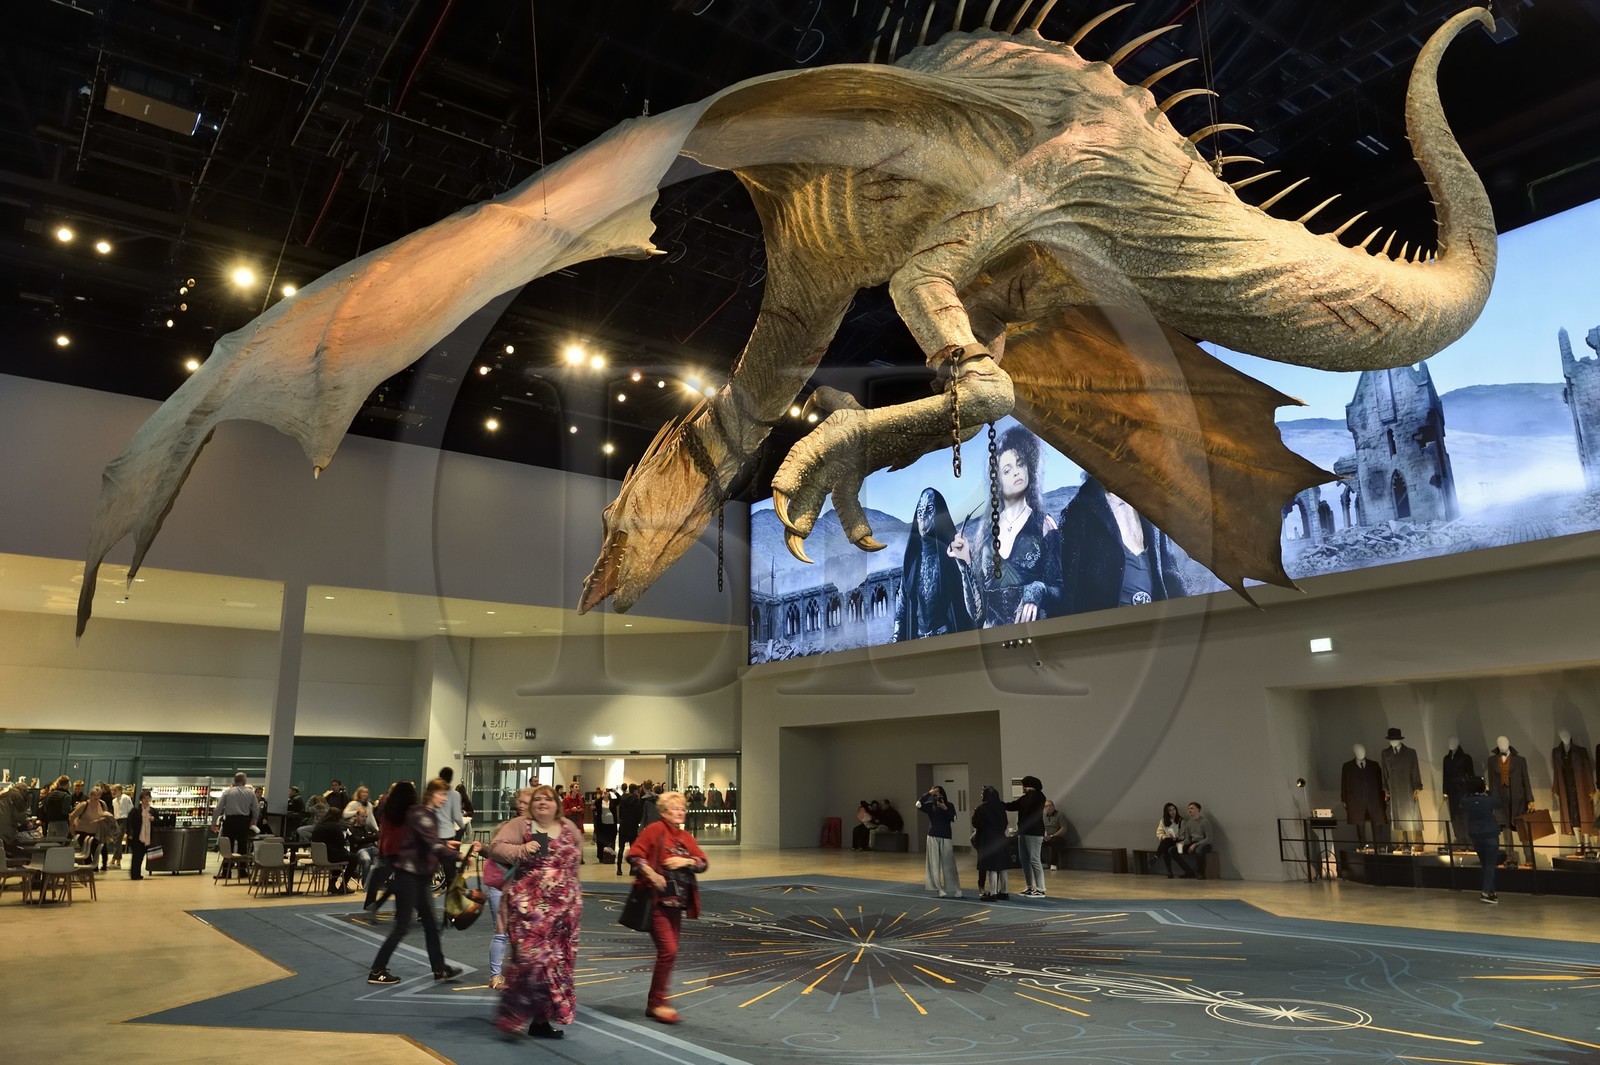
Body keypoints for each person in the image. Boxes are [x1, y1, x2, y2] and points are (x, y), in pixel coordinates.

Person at [490, 784, 584, 1039]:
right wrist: (520, 850)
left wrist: (572, 898)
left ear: (557, 804)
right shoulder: (523, 826)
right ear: (531, 805)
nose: (543, 802)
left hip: (563, 913)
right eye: (538, 798)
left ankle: (540, 1022)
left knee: (554, 966)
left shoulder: (568, 828)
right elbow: (496, 847)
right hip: (530, 910)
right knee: (532, 961)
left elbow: (574, 861)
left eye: (548, 798)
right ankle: (513, 1013)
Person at [366, 777, 477, 985]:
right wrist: (458, 855)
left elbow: (428, 842)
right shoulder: (421, 814)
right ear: (431, 794)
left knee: (430, 925)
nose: (445, 798)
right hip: (410, 876)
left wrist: (444, 843)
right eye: (441, 794)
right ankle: (377, 970)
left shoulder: (422, 813)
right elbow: (432, 845)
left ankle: (440, 968)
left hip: (418, 876)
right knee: (403, 926)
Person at [949, 425, 1062, 628]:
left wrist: (1037, 590)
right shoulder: (985, 535)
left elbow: (1060, 592)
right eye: (1007, 470)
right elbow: (977, 612)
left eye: (1021, 463)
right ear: (997, 480)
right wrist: (964, 562)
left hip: (1036, 638)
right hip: (994, 644)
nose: (1016, 472)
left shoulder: (1044, 525)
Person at [627, 790, 709, 1024]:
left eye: (682, 808)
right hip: (656, 902)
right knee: (669, 951)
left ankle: (657, 1001)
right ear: (663, 812)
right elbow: (635, 855)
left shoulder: (686, 836)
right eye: (675, 808)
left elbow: (702, 862)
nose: (680, 812)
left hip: (677, 904)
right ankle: (657, 1003)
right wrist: (651, 873)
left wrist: (686, 860)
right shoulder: (655, 830)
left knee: (669, 953)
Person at [1055, 474, 1187, 615]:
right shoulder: (1076, 513)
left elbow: (1170, 571)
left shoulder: (1150, 504)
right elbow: (1069, 587)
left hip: (1157, 624)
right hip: (1110, 629)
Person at [893, 487, 975, 641]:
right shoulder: (911, 562)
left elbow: (971, 606)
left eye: (929, 509)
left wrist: (963, 563)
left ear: (938, 514)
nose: (923, 516)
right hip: (919, 644)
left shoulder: (952, 556)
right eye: (920, 511)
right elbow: (902, 611)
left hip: (949, 642)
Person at [483, 787, 531, 991]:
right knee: (502, 931)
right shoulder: (509, 827)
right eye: (519, 802)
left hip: (522, 887)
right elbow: (497, 852)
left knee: (520, 933)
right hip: (501, 885)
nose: (519, 805)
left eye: (524, 802)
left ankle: (518, 973)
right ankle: (495, 976)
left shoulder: (537, 829)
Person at [364, 781, 410, 913]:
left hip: (390, 849)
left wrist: (382, 850)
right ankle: (399, 911)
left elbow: (384, 830)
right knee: (403, 882)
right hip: (401, 850)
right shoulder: (407, 810)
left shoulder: (388, 807)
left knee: (383, 879)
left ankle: (372, 905)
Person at [1005, 776, 1047, 897]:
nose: (1022, 788)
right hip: (1023, 832)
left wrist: (1030, 792)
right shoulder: (1024, 798)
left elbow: (1030, 804)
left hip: (1034, 832)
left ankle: (1040, 888)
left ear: (1029, 786)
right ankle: (1030, 886)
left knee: (1034, 859)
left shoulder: (1039, 796)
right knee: (1024, 859)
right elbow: (1013, 805)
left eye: (1023, 786)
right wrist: (999, 804)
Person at [916, 786, 961, 898]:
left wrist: (945, 808)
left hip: (946, 836)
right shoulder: (931, 805)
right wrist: (928, 793)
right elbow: (918, 804)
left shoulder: (949, 805)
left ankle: (955, 888)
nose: (937, 796)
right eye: (935, 794)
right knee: (934, 863)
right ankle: (938, 888)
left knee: (949, 863)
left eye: (939, 794)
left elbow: (954, 818)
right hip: (932, 836)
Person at [1463, 776, 1501, 903]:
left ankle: (1492, 892)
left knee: (1485, 864)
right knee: (1490, 865)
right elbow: (1498, 803)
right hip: (1490, 833)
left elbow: (1462, 801)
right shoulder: (1488, 800)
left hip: (1475, 834)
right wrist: (1488, 791)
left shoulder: (1467, 801)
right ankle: (1485, 892)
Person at [973, 785, 1011, 901]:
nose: (980, 795)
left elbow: (976, 824)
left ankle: (992, 893)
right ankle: (1004, 892)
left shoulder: (982, 808)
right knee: (1003, 867)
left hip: (988, 840)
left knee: (992, 867)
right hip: (1001, 838)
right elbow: (1005, 823)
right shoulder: (1001, 807)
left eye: (982, 793)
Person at [310, 806, 359, 894]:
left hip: (318, 857)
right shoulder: (334, 827)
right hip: (331, 855)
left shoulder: (319, 825)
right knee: (354, 858)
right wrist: (347, 836)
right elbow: (342, 842)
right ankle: (343, 885)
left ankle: (332, 885)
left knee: (343, 860)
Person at [213, 771, 259, 860]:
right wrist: (254, 820)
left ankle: (226, 869)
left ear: (235, 781)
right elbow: (256, 809)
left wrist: (214, 822)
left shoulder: (228, 792)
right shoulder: (250, 792)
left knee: (228, 844)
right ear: (244, 781)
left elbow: (218, 808)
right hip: (244, 821)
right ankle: (242, 869)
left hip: (230, 820)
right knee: (242, 844)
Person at [70, 785, 115, 870]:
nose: (96, 797)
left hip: (95, 831)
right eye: (94, 795)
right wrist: (72, 831)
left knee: (95, 849)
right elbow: (72, 816)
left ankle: (95, 867)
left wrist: (103, 820)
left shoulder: (102, 804)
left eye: (98, 795)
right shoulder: (84, 805)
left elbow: (105, 815)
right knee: (86, 851)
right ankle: (88, 869)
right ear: (90, 795)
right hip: (82, 830)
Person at [434, 766, 465, 887]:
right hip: (448, 834)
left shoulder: (434, 793)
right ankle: (451, 900)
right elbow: (457, 816)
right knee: (450, 873)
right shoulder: (455, 794)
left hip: (434, 835)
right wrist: (463, 826)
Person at [1154, 802, 1193, 878]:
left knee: (1166, 845)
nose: (1173, 812)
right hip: (1169, 842)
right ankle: (1169, 871)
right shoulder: (1163, 821)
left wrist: (1176, 837)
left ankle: (1157, 857)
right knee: (1166, 842)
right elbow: (1159, 833)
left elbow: (1183, 836)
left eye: (1174, 809)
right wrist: (1165, 836)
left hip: (1180, 845)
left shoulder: (1181, 821)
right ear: (1167, 812)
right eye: (1170, 810)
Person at [127, 789, 155, 880]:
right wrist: (130, 833)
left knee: (141, 856)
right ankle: (134, 874)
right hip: (137, 836)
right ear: (141, 799)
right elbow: (130, 822)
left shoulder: (153, 811)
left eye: (148, 798)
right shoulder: (135, 810)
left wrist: (154, 820)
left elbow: (159, 822)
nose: (146, 800)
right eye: (144, 798)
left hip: (147, 837)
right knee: (136, 856)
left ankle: (137, 873)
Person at [1180, 802, 1214, 878]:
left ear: (1198, 809)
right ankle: (1188, 871)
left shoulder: (1205, 822)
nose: (1189, 810)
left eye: (1192, 808)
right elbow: (1188, 839)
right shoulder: (1188, 823)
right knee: (1172, 850)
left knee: (1198, 851)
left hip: (1204, 843)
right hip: (1192, 842)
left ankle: (1199, 872)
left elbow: (1209, 839)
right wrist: (1182, 843)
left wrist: (1195, 845)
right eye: (1188, 808)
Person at [616, 784, 643, 876]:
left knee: (621, 848)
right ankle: (632, 869)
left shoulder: (623, 798)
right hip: (633, 826)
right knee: (633, 848)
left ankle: (619, 869)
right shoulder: (637, 801)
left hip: (623, 825)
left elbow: (620, 812)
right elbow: (639, 814)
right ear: (635, 791)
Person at [592, 787, 619, 863]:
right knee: (601, 840)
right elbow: (595, 804)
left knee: (611, 840)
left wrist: (615, 792)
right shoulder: (599, 801)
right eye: (604, 792)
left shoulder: (613, 801)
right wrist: (601, 796)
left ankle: (610, 857)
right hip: (602, 824)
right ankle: (601, 857)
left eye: (607, 792)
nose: (606, 793)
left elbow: (619, 800)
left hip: (611, 824)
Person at [1040, 797, 1067, 870]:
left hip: (1056, 837)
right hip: (1045, 836)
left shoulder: (1059, 815)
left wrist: (1052, 836)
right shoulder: (1043, 816)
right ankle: (1043, 862)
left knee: (1055, 841)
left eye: (1049, 805)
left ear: (1053, 806)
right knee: (1034, 841)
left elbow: (1063, 828)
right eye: (1046, 806)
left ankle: (1053, 863)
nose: (1048, 808)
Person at [109, 784, 132, 867]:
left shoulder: (126, 798)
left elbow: (130, 810)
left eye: (115, 790)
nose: (113, 792)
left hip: (124, 820)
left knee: (117, 840)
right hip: (116, 820)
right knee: (116, 840)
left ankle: (114, 859)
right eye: (112, 790)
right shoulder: (114, 801)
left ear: (120, 790)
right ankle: (119, 860)